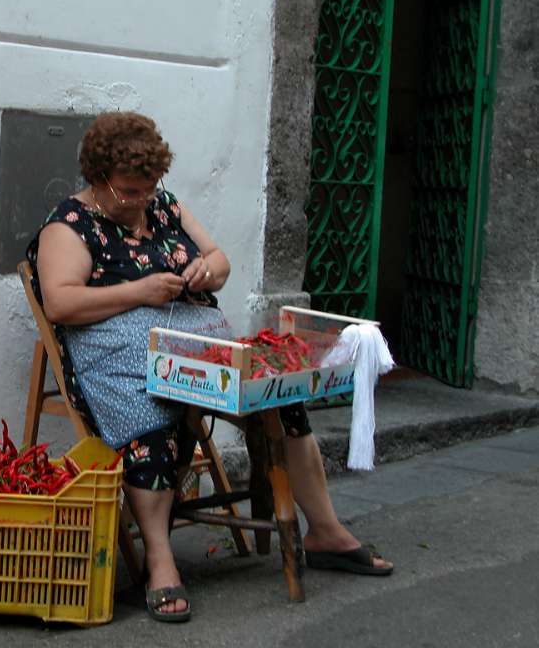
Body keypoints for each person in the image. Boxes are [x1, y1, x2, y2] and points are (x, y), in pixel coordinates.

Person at [27, 111, 392, 623]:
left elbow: (219, 261)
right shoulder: (69, 225)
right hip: (117, 361)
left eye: (148, 189)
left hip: (198, 347)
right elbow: (62, 304)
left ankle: (326, 531)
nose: (139, 201)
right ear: (98, 177)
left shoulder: (164, 206)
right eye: (129, 190)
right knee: (148, 424)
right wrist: (141, 290)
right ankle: (159, 563)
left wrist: (207, 270)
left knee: (284, 400)